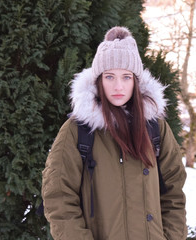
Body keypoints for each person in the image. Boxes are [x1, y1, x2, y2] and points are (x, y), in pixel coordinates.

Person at [41, 26, 187, 240]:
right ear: (99, 79)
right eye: (109, 77)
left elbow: (174, 194)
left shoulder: (156, 128)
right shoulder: (78, 131)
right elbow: (59, 197)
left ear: (136, 81)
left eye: (126, 77)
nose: (118, 86)